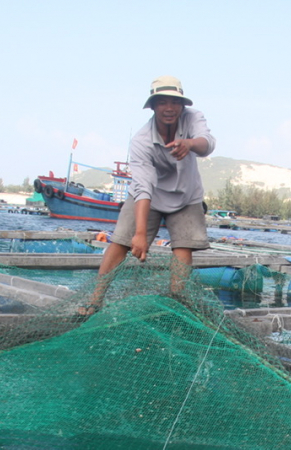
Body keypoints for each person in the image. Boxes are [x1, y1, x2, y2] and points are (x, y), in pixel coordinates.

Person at [85, 76, 215, 313]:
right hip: (149, 195)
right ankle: (94, 300)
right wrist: (141, 234)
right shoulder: (141, 140)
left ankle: (178, 303)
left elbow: (207, 144)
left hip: (187, 194)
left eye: (174, 102)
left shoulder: (194, 117)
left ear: (182, 105)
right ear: (153, 106)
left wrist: (190, 144)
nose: (169, 108)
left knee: (183, 246)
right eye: (162, 102)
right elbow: (143, 186)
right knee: (122, 241)